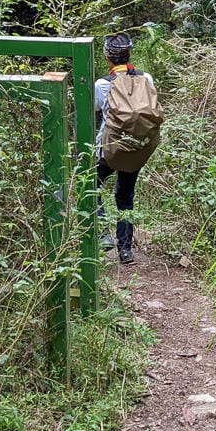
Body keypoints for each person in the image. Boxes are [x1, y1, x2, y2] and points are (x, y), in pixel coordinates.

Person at [95, 32, 155, 265]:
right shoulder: (146, 78)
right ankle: (126, 251)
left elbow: (98, 110)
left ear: (108, 58)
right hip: (137, 147)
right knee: (125, 196)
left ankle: (102, 234)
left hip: (110, 148)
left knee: (88, 184)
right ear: (130, 54)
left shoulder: (102, 84)